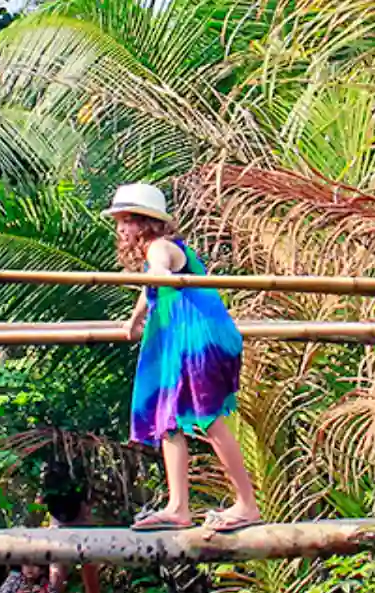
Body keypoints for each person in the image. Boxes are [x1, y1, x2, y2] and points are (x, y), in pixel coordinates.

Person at [108, 183, 262, 533]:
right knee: (169, 420)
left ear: (145, 223)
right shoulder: (159, 251)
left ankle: (247, 505)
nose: (120, 228)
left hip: (199, 343)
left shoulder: (160, 248)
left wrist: (161, 276)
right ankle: (178, 506)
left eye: (127, 220)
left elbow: (160, 272)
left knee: (208, 420)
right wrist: (134, 322)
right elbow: (153, 289)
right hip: (183, 343)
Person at [45, 473, 122, 593]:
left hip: (61, 522)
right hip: (77, 523)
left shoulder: (57, 467)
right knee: (85, 578)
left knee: (58, 576)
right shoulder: (77, 468)